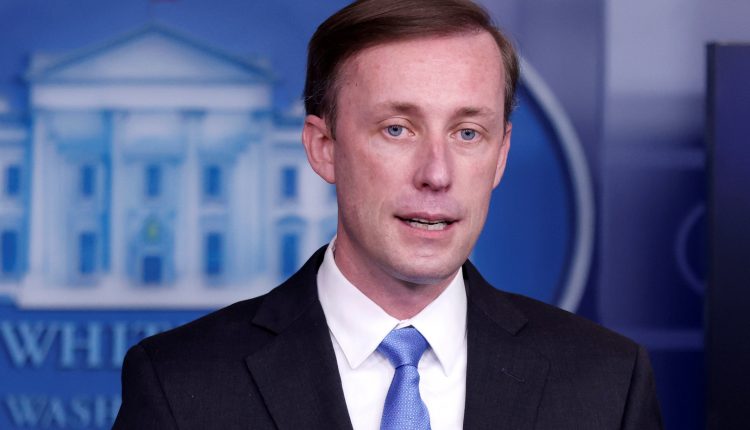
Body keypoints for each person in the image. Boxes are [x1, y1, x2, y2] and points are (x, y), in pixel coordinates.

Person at [114, 0, 663, 428]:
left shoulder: (607, 383)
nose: (437, 173)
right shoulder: (180, 384)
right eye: (397, 129)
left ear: (501, 156)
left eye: (467, 133)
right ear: (323, 147)